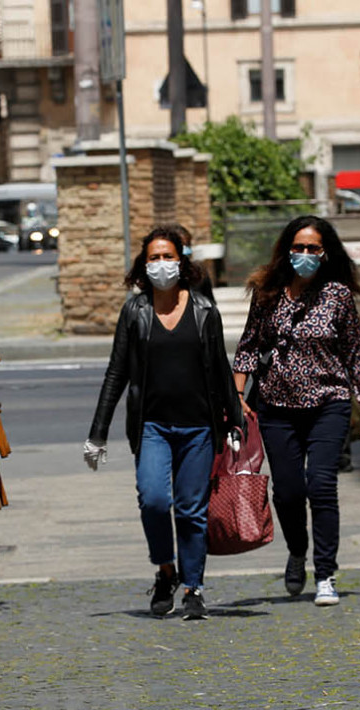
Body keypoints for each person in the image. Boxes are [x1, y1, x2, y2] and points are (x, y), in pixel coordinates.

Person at [85, 225, 244, 620]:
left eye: (168, 257)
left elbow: (221, 368)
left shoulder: (205, 310)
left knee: (191, 510)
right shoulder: (134, 311)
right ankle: (166, 571)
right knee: (154, 500)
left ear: (181, 261)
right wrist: (97, 434)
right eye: (153, 258)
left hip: (198, 428)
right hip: (152, 426)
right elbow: (116, 373)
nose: (161, 265)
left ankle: (193, 587)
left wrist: (234, 421)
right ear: (143, 264)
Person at [232, 215, 360, 607]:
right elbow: (248, 345)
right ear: (286, 250)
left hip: (328, 405)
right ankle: (297, 551)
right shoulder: (267, 293)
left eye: (311, 248)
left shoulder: (337, 295)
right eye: (297, 247)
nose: (303, 255)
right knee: (287, 491)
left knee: (321, 486)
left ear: (325, 252)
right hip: (276, 407)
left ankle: (326, 573)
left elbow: (356, 353)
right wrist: (238, 396)